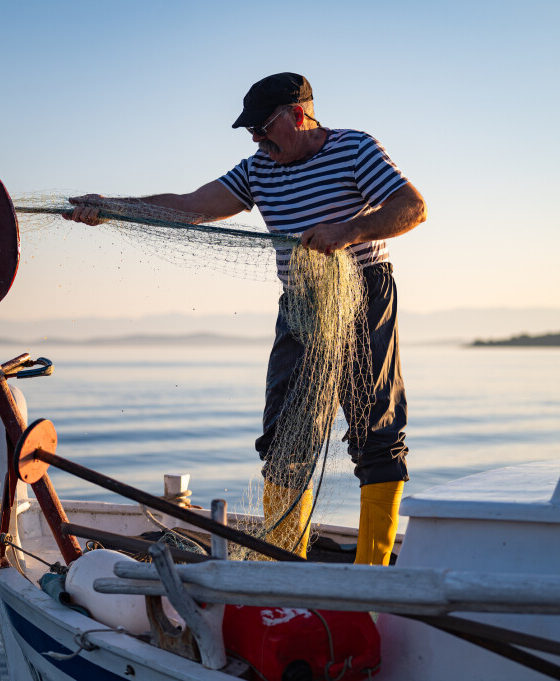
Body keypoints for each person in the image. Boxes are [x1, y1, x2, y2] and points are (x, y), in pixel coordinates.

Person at [68, 73, 426, 565]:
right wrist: (111, 208)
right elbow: (190, 207)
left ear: (298, 116)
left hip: (364, 294)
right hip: (301, 304)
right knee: (284, 438)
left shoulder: (356, 149)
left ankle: (372, 576)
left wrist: (347, 230)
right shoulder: (259, 169)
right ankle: (282, 568)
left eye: (262, 127)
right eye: (250, 131)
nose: (256, 138)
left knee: (376, 434)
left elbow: (413, 207)